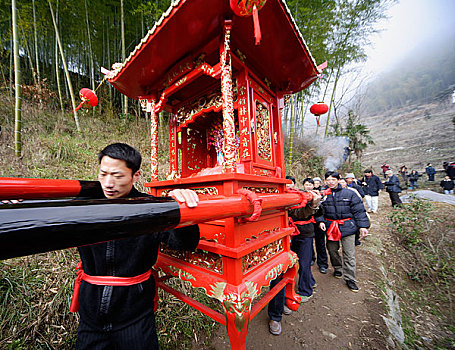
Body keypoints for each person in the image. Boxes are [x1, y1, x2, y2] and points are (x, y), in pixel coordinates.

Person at [74, 143, 200, 349]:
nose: (108, 183)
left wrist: (183, 211)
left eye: (117, 175)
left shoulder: (151, 209)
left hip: (134, 314)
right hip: (91, 314)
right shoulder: (83, 205)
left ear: (135, 176)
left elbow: (186, 243)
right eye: (103, 174)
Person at [268, 177, 321, 335]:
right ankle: (276, 313)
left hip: (294, 237)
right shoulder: (270, 197)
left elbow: (300, 212)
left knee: (292, 270)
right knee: (277, 276)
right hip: (274, 240)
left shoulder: (293, 198)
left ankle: (281, 305)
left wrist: (313, 205)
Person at [316, 171, 369, 292]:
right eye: (328, 180)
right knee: (332, 250)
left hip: (347, 226)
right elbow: (318, 211)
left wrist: (363, 226)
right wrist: (321, 221)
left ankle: (350, 278)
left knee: (349, 254)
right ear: (325, 181)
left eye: (333, 180)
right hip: (330, 226)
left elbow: (359, 210)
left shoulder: (349, 193)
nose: (330, 182)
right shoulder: (323, 195)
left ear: (339, 180)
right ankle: (338, 268)